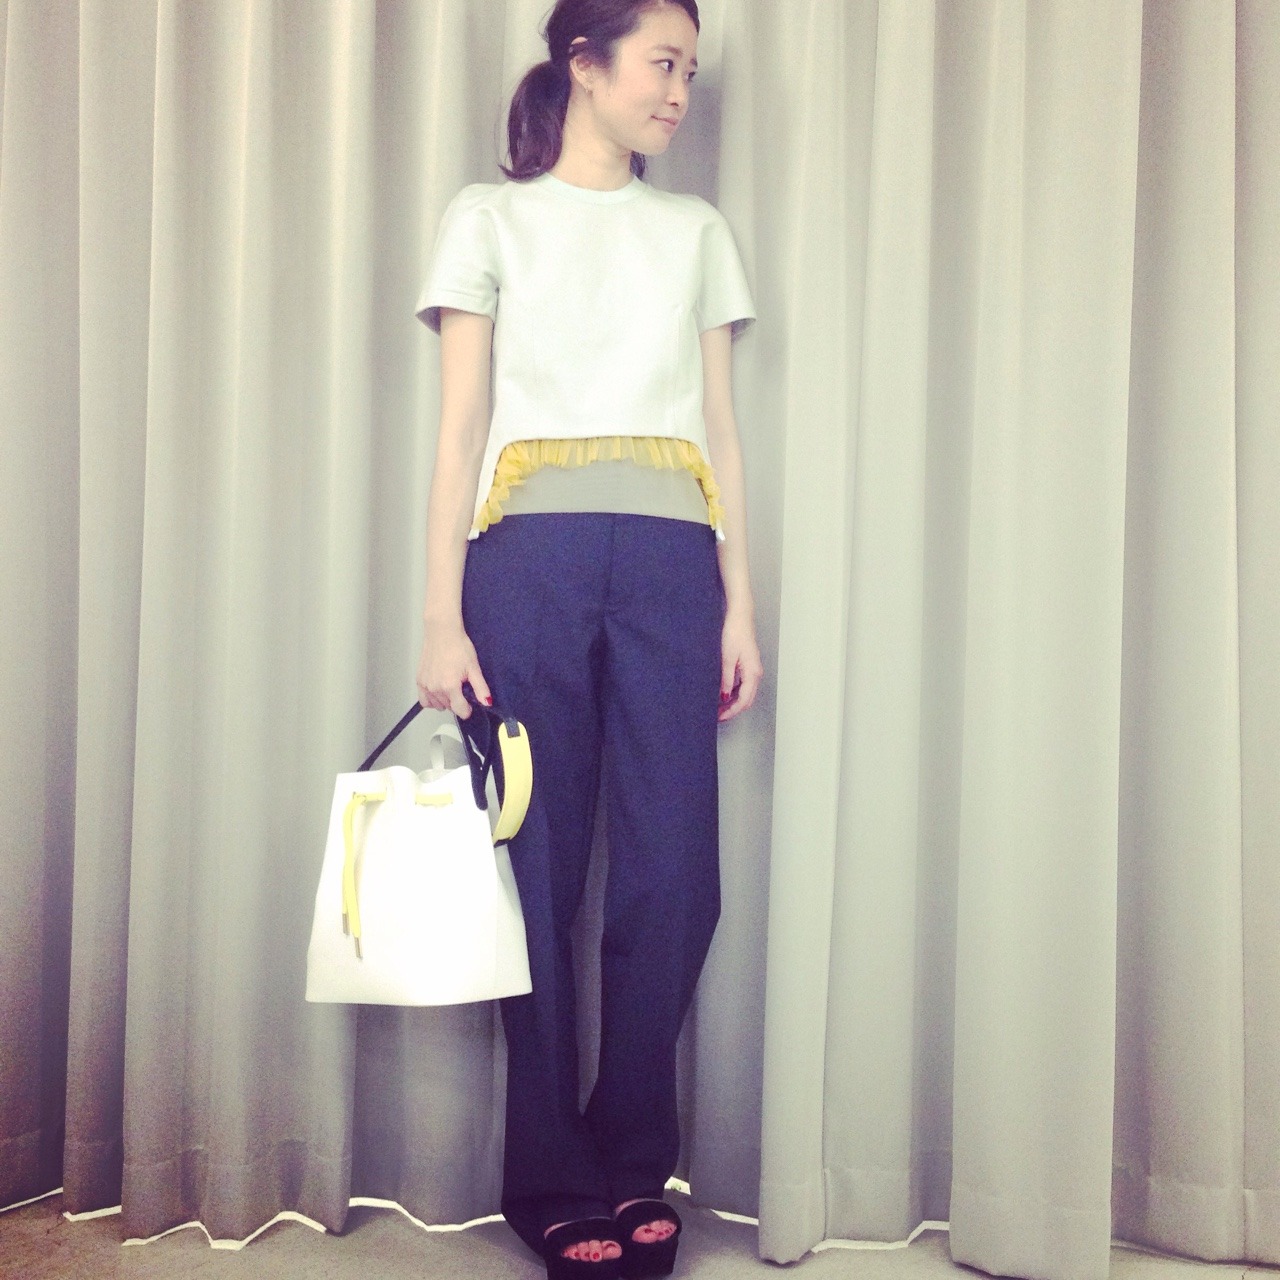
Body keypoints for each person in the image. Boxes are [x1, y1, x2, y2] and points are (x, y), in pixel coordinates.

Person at [413, 1, 761, 1275]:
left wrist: (737, 601)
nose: (677, 91)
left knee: (673, 873)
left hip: (670, 565)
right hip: (525, 565)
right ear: (584, 64)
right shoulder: (486, 219)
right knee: (537, 869)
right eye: (662, 63)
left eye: (688, 72)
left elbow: (719, 429)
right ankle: (550, 1179)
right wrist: (440, 611)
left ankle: (631, 1158)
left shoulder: (694, 232)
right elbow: (460, 428)